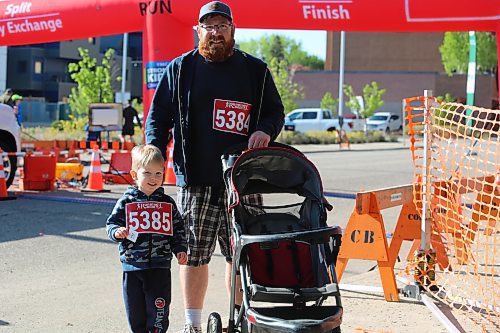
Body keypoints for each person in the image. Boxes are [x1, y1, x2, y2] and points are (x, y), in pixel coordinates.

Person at [145, 1, 285, 332]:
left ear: (233, 30)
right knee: (193, 254)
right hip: (195, 179)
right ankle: (193, 324)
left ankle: (237, 320)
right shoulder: (180, 69)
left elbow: (274, 112)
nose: (215, 32)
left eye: (222, 26)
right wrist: (154, 149)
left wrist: (265, 129)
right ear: (198, 30)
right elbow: (158, 115)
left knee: (241, 254)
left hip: (244, 179)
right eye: (209, 26)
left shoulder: (256, 70)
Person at [106, 144, 188, 333]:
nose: (153, 178)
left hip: (160, 266)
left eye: (158, 173)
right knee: (135, 312)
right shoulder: (127, 201)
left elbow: (178, 228)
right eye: (147, 173)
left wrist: (180, 249)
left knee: (158, 308)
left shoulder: (167, 203)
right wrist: (117, 232)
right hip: (133, 265)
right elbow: (111, 224)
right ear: (134, 175)